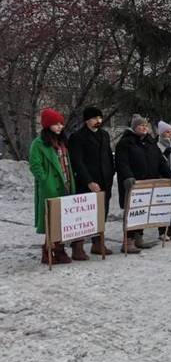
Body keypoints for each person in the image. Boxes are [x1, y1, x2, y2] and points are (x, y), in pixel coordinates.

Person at [115, 114, 171, 253]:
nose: (144, 127)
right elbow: (122, 163)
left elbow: (160, 162)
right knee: (133, 211)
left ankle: (139, 238)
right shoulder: (125, 143)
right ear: (134, 128)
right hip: (132, 184)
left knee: (143, 210)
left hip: (149, 184)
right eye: (141, 125)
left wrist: (170, 174)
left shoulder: (150, 143)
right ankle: (128, 241)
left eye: (145, 125)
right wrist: (128, 176)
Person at [30, 108, 78, 264]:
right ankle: (48, 250)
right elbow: (35, 164)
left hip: (66, 183)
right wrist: (44, 179)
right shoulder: (39, 143)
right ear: (48, 125)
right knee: (51, 219)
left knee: (63, 219)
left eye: (61, 124)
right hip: (50, 185)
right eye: (56, 124)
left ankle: (60, 249)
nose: (60, 127)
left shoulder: (62, 141)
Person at [68, 106, 114, 256]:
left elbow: (108, 155)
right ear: (87, 120)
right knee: (83, 215)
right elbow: (77, 162)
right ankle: (77, 246)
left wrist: (111, 173)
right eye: (94, 118)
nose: (98, 121)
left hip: (104, 180)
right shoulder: (77, 137)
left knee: (102, 213)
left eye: (100, 118)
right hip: (86, 182)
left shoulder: (104, 135)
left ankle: (98, 243)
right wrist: (88, 181)